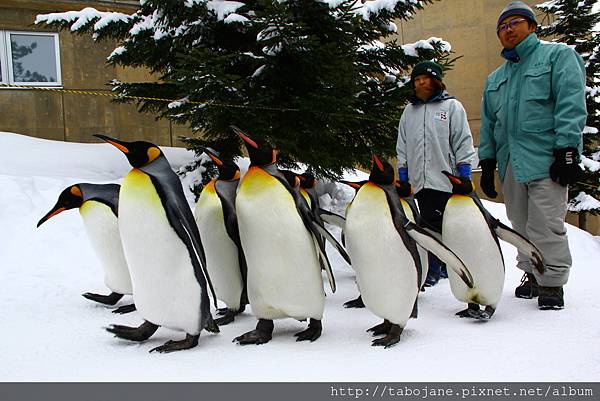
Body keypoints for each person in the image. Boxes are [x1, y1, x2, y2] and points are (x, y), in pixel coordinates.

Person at [478, 1, 586, 310]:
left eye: (514, 23)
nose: (508, 30)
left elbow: (570, 104)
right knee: (520, 223)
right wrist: (487, 162)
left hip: (545, 159)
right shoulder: (495, 78)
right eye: (502, 27)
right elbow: (490, 123)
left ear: (532, 27)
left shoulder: (557, 57)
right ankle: (532, 274)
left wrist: (567, 151)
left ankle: (552, 282)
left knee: (546, 224)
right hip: (511, 162)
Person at [396, 60, 476, 287]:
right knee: (427, 224)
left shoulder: (451, 107)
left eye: (425, 79)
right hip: (420, 182)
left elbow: (462, 141)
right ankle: (435, 266)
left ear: (436, 81)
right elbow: (402, 145)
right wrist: (403, 174)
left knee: (446, 225)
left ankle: (445, 266)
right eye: (417, 80)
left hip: (445, 179)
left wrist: (464, 173)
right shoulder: (409, 112)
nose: (420, 83)